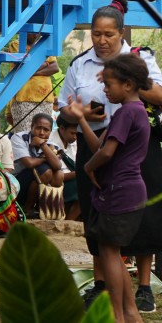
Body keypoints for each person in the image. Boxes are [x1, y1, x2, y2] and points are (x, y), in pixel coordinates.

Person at [59, 0, 162, 313]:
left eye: (109, 35)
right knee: (97, 216)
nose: (102, 41)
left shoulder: (139, 57)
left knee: (142, 215)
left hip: (136, 145)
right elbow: (65, 105)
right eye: (96, 34)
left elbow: (158, 95)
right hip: (97, 140)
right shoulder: (80, 64)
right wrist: (83, 113)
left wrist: (129, 81)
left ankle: (143, 287)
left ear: (121, 34)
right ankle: (103, 285)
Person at [69, 54, 152, 323]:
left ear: (128, 84)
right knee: (112, 253)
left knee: (109, 254)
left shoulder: (128, 112)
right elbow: (98, 147)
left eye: (109, 84)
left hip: (120, 190)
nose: (104, 89)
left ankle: (117, 315)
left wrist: (87, 168)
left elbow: (106, 154)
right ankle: (130, 314)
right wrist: (82, 119)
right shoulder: (131, 111)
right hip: (125, 190)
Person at [10, 112, 65, 216]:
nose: (41, 132)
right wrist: (46, 158)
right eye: (38, 128)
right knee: (46, 171)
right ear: (31, 127)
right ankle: (27, 208)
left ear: (50, 131)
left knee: (59, 175)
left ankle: (45, 208)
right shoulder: (19, 138)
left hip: (35, 181)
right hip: (16, 183)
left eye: (46, 130)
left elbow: (58, 166)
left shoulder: (52, 144)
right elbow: (29, 163)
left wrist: (43, 145)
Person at [7, 33, 59, 134]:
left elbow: (55, 67)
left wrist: (32, 72)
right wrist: (44, 64)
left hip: (45, 99)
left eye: (37, 33)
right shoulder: (16, 45)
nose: (36, 35)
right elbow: (22, 69)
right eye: (32, 32)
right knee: (25, 136)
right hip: (24, 99)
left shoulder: (45, 45)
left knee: (43, 135)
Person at [49, 113, 80, 220]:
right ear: (62, 128)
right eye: (72, 133)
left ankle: (69, 221)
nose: (75, 137)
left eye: (77, 133)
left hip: (74, 177)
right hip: (56, 180)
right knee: (81, 188)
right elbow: (55, 174)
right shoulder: (50, 141)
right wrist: (79, 173)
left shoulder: (75, 142)